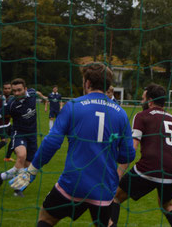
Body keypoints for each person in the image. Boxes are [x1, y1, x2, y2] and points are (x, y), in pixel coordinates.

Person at [10, 63, 136, 227]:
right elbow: (128, 154)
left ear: (87, 83)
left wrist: (32, 171)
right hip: (103, 187)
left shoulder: (74, 105)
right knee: (107, 223)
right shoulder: (120, 113)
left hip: (73, 184)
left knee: (46, 217)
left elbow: (52, 142)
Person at [110, 84, 172, 227]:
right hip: (171, 173)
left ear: (150, 101)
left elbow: (132, 148)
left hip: (148, 169)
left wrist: (117, 175)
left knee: (115, 197)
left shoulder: (141, 116)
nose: (140, 102)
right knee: (166, 206)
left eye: (142, 98)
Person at [0, 78, 48, 197]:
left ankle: (0, 177)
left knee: (29, 167)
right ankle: (18, 190)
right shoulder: (11, 104)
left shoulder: (31, 93)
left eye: (19, 90)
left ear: (25, 89)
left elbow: (37, 92)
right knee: (21, 155)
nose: (16, 93)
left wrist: (44, 99)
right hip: (18, 134)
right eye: (14, 91)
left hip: (32, 135)